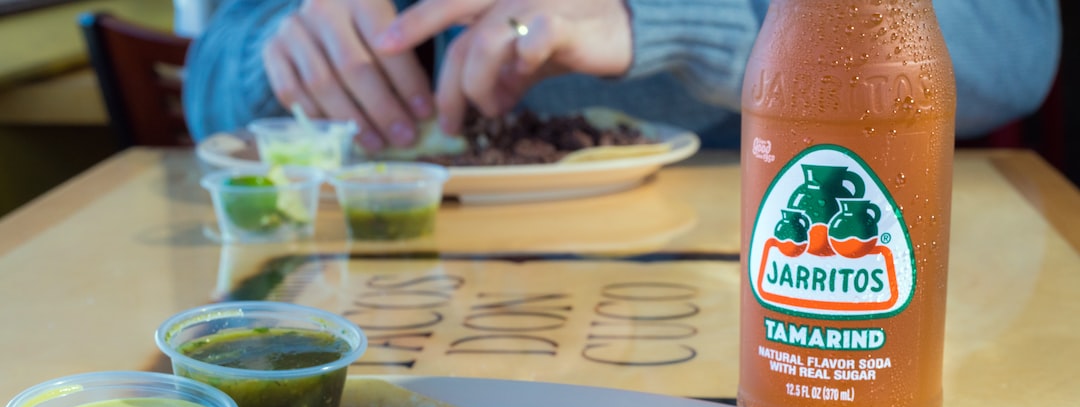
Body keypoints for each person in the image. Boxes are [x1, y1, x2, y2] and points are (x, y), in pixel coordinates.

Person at [182, 0, 1062, 153]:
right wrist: (281, 52)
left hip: (751, 270)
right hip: (409, 279)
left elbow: (1010, 49)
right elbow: (208, 85)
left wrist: (658, 20)